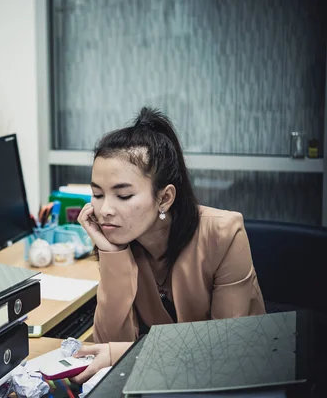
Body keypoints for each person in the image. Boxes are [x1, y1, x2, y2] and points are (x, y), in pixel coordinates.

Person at [71, 107, 265, 384]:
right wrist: (112, 256)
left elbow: (226, 350)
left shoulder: (224, 234)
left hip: (234, 379)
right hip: (163, 379)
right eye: (97, 194)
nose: (104, 210)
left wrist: (124, 354)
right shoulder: (124, 241)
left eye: (123, 195)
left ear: (164, 199)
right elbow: (106, 348)